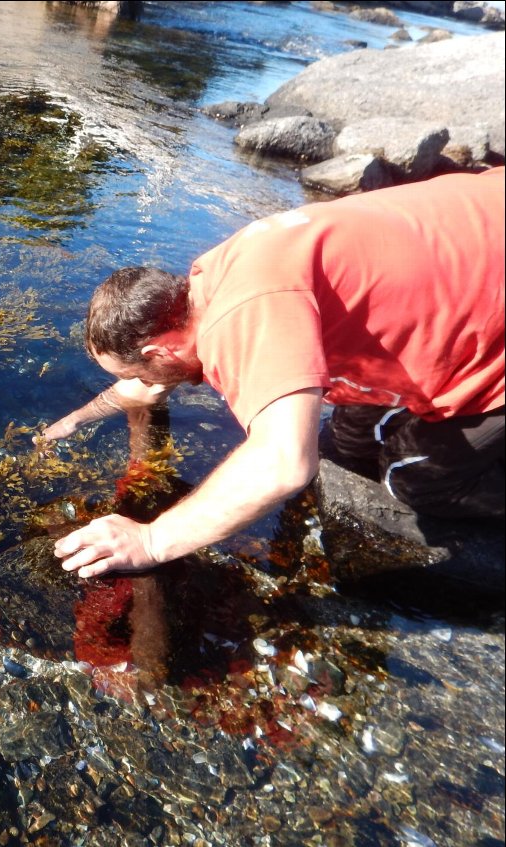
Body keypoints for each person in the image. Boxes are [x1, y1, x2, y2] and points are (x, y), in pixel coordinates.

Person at [40, 167, 505, 579]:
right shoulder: (213, 277)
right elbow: (142, 387)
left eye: (140, 372)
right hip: (481, 218)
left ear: (158, 349)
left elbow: (282, 464)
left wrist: (152, 540)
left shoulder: (238, 320)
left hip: (495, 318)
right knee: (345, 444)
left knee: (411, 479)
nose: (146, 385)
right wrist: (76, 419)